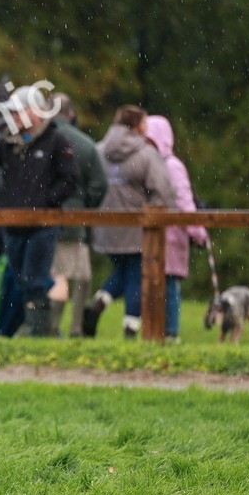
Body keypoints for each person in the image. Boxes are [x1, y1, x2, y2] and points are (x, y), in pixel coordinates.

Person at [0, 86, 78, 336]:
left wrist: (46, 203)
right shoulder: (9, 141)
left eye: (18, 112)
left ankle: (39, 335)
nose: (13, 117)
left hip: (43, 226)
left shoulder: (56, 140)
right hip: (13, 226)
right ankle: (40, 332)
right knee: (20, 281)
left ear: (35, 111)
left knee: (34, 281)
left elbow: (70, 179)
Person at [83, 106, 176, 338]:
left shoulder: (98, 150)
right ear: (138, 126)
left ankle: (99, 303)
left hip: (106, 227)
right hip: (138, 229)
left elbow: (89, 184)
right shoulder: (146, 154)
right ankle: (130, 329)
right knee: (136, 275)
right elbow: (162, 190)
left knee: (123, 272)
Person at [48, 94, 108, 336]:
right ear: (71, 114)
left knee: (54, 275)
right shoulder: (85, 144)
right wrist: (84, 207)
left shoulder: (40, 141)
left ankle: (51, 326)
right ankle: (76, 327)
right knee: (81, 277)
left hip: (40, 218)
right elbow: (99, 185)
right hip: (75, 218)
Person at [146, 115, 208, 342]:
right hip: (160, 234)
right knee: (161, 285)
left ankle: (170, 332)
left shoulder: (171, 166)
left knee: (168, 284)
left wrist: (197, 231)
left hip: (170, 235)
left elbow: (184, 203)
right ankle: (162, 332)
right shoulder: (155, 164)